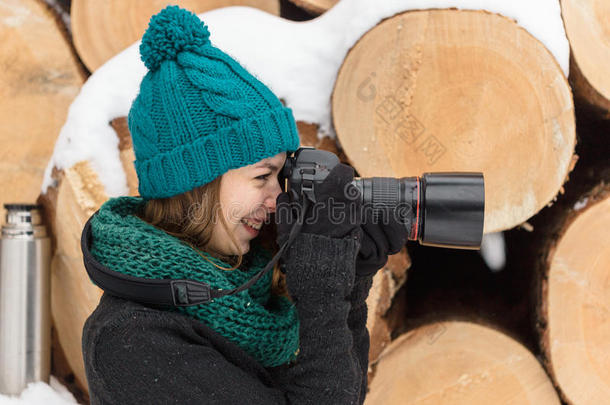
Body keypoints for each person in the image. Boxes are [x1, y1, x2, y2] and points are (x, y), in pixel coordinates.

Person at [81, 5, 407, 404]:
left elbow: (336, 390)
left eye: (280, 176)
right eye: (261, 177)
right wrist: (320, 289)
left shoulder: (244, 299)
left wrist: (348, 284)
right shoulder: (133, 340)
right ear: (196, 183)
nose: (277, 199)